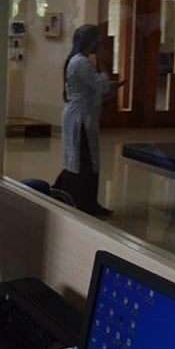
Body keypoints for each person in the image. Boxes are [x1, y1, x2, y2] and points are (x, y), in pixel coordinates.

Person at [55, 24, 122, 217]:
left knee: (83, 161)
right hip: (80, 120)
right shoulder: (81, 62)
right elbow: (99, 86)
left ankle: (84, 200)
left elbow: (96, 88)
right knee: (83, 162)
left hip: (83, 117)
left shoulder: (78, 61)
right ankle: (83, 202)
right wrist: (104, 64)